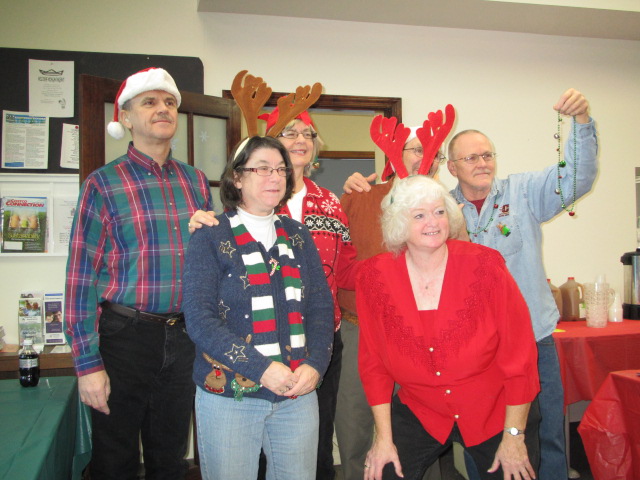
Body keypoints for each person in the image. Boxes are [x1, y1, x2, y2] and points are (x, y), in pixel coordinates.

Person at [64, 67, 213, 480]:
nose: (163, 109)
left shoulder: (195, 182)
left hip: (183, 338)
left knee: (170, 458)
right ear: (126, 118)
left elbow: (208, 263)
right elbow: (79, 279)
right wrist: (87, 364)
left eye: (169, 102)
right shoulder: (103, 184)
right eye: (149, 102)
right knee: (115, 460)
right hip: (123, 339)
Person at [446, 88, 597, 480]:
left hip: (533, 340)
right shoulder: (439, 210)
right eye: (471, 157)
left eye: (487, 155)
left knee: (547, 435)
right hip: (476, 350)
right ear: (451, 167)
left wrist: (581, 123)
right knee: (485, 440)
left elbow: (577, 177)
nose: (482, 163)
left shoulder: (525, 192)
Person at [358, 175, 540, 480]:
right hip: (423, 410)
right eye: (419, 215)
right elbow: (373, 363)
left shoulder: (486, 266)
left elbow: (519, 356)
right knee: (383, 471)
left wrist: (513, 436)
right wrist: (383, 439)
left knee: (515, 473)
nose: (433, 222)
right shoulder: (375, 277)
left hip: (494, 411)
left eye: (439, 211)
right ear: (398, 223)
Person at [182, 135, 334, 480]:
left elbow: (321, 308)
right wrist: (261, 368)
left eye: (280, 169)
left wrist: (315, 365)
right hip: (231, 398)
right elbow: (200, 320)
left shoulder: (297, 235)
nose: (275, 177)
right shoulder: (210, 234)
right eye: (262, 169)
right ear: (237, 178)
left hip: (297, 394)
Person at [336, 107, 455, 480]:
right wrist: (381, 279)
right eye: (414, 149)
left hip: (423, 334)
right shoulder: (361, 197)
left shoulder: (444, 208)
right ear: (394, 155)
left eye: (430, 151)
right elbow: (340, 266)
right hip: (361, 328)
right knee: (355, 423)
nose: (422, 157)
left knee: (423, 425)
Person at [266, 108, 358, 479]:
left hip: (322, 342)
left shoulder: (332, 203)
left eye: (308, 133)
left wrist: (394, 265)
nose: (302, 140)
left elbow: (348, 266)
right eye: (290, 133)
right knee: (264, 442)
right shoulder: (258, 201)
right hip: (266, 342)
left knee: (317, 441)